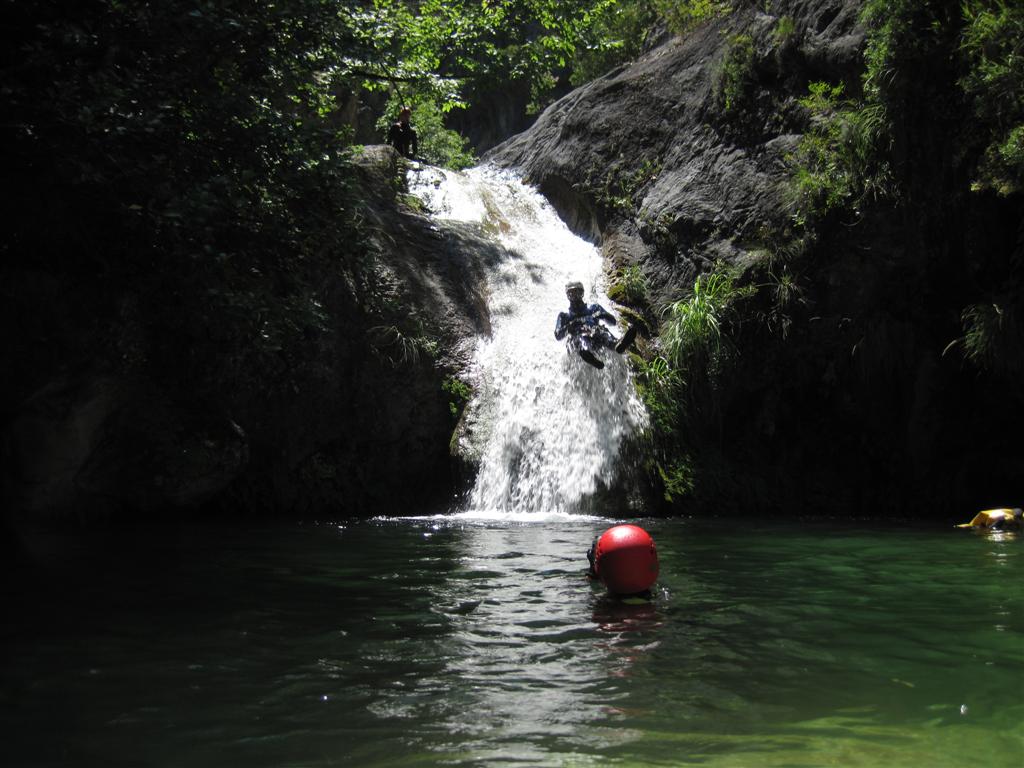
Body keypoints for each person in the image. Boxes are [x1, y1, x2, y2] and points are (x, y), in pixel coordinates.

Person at [554, 281, 638, 369]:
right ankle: (587, 354)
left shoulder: (594, 308)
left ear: (582, 293)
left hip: (595, 338)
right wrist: (570, 326)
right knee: (577, 338)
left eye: (577, 293)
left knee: (601, 331)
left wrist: (603, 315)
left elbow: (613, 322)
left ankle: (616, 344)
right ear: (568, 296)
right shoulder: (564, 316)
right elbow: (558, 335)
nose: (575, 296)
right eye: (571, 294)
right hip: (577, 345)